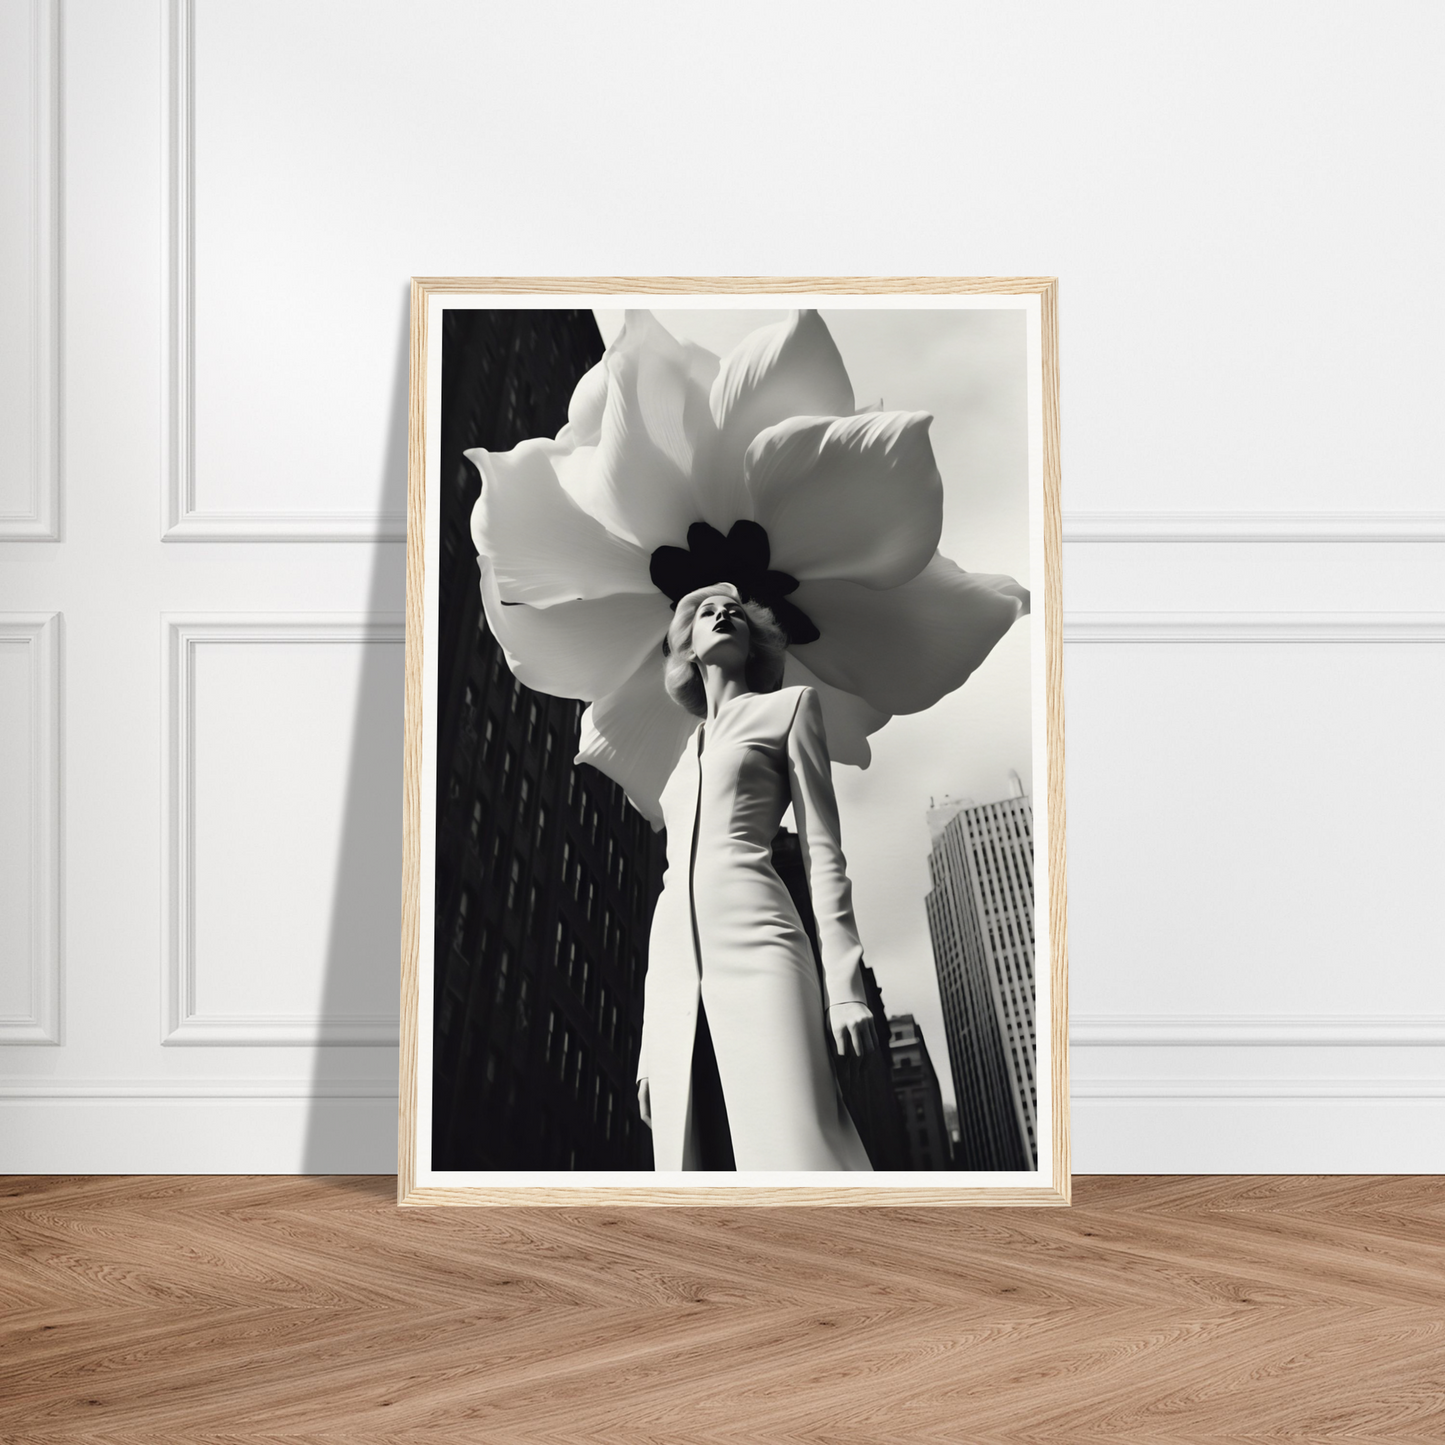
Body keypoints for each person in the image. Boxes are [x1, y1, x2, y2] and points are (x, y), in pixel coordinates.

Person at [637, 583, 877, 1171]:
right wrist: (649, 1044)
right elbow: (671, 890)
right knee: (690, 1163)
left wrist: (845, 986)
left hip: (762, 941)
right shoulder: (681, 757)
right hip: (675, 971)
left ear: (753, 643)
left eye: (736, 614)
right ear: (687, 647)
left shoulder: (790, 707)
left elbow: (824, 850)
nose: (722, 616)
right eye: (707, 613)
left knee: (798, 1141)